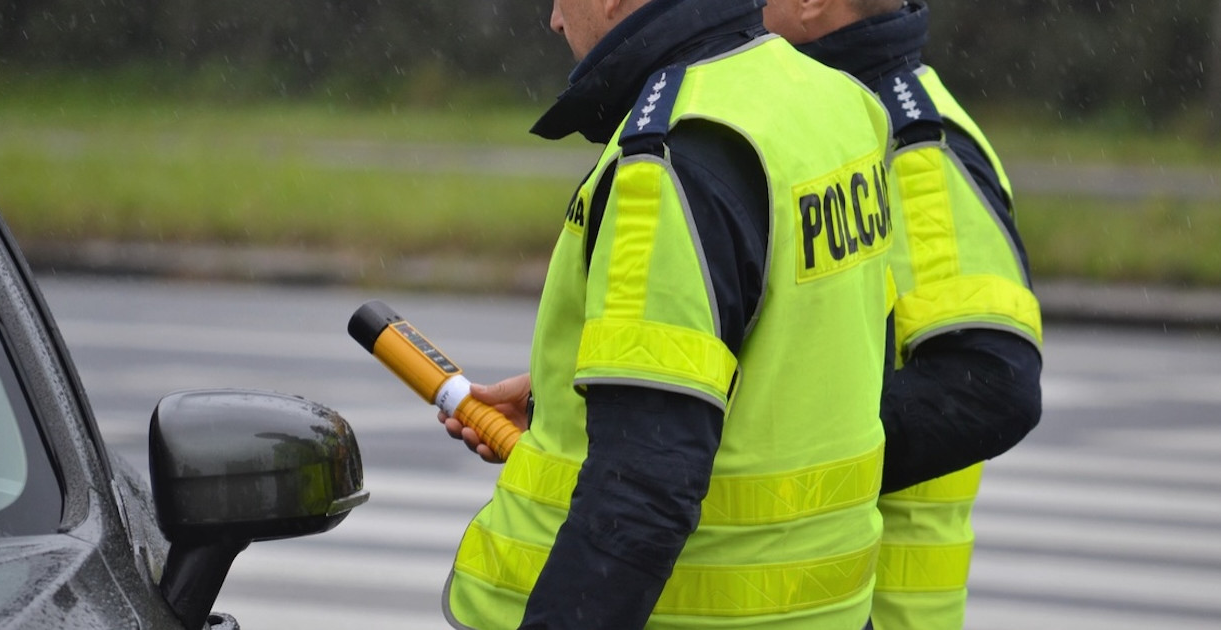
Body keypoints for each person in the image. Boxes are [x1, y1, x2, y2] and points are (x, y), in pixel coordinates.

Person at [436, 0, 898, 627]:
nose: (552, 19)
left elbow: (641, 491)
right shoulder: (836, 102)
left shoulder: (669, 154)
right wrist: (574, 400)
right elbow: (803, 358)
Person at [762, 1, 1044, 629]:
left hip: (882, 610)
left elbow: (992, 386)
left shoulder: (914, 146)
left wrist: (762, 453)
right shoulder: (830, 117)